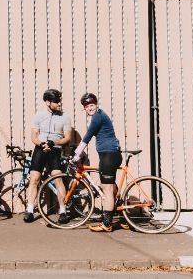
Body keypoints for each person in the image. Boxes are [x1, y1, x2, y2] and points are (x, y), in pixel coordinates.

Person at [72, 92, 122, 232]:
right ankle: (120, 216)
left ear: (96, 104)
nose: (90, 108)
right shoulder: (99, 115)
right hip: (111, 154)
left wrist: (76, 155)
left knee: (106, 190)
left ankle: (107, 224)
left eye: (92, 105)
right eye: (87, 106)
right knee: (110, 188)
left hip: (108, 155)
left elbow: (87, 137)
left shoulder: (97, 117)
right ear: (84, 108)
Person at [24, 88, 73, 223]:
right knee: (34, 178)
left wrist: (54, 143)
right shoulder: (39, 116)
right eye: (56, 101)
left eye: (59, 101)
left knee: (58, 178)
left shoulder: (65, 117)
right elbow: (33, 136)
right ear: (47, 102)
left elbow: (67, 138)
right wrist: (41, 144)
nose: (59, 104)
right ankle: (29, 210)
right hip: (40, 149)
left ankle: (63, 211)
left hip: (55, 149)